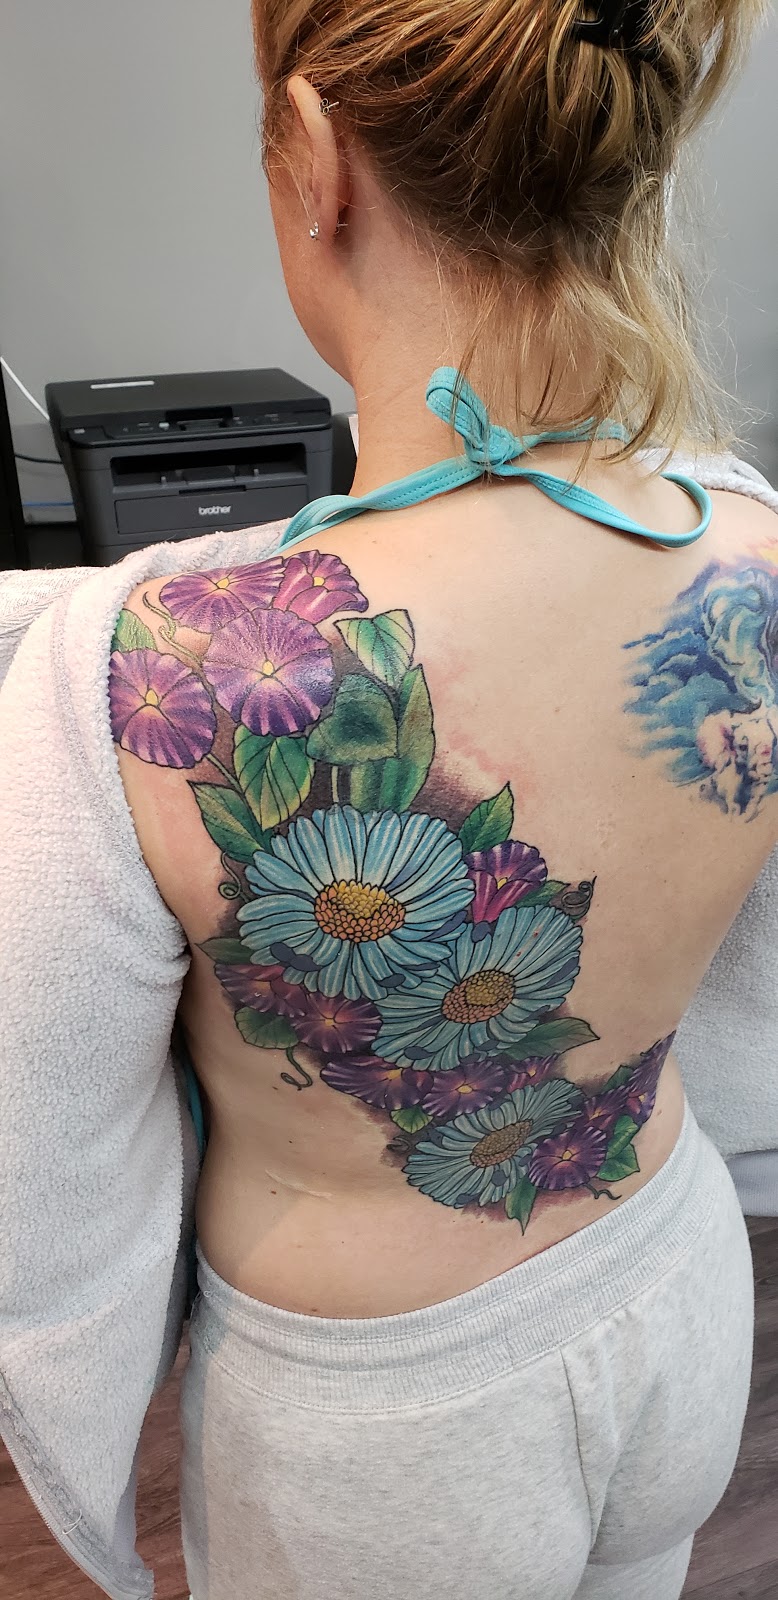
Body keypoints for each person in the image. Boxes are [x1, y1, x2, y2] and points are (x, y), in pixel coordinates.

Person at [1, 0, 776, 1598]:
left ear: (313, 156)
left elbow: (39, 1138)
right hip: (670, 1278)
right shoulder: (754, 554)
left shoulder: (143, 663)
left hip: (386, 1430)